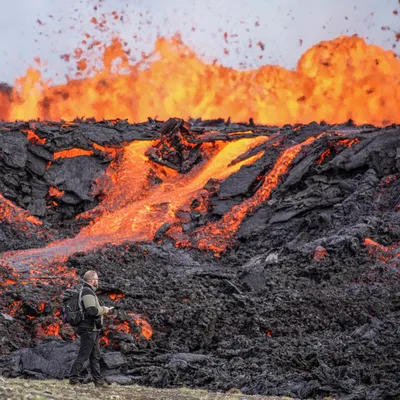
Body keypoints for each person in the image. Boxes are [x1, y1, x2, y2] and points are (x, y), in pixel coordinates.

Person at [69, 270, 113, 387]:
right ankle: (73, 379)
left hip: (93, 329)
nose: (97, 281)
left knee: (95, 356)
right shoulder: (87, 292)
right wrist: (104, 309)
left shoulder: (88, 291)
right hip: (88, 329)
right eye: (96, 279)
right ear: (91, 280)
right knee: (83, 355)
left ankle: (98, 381)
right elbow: (91, 311)